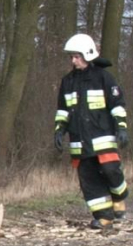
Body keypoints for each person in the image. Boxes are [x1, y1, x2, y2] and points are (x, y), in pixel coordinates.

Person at [54, 34, 129, 231]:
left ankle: (119, 197)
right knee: (89, 181)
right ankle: (104, 218)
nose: (73, 60)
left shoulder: (104, 77)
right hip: (79, 141)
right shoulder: (67, 82)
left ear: (87, 55)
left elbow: (117, 105)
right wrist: (59, 130)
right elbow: (62, 110)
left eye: (77, 56)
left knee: (111, 171)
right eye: (71, 56)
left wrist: (121, 127)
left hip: (103, 138)